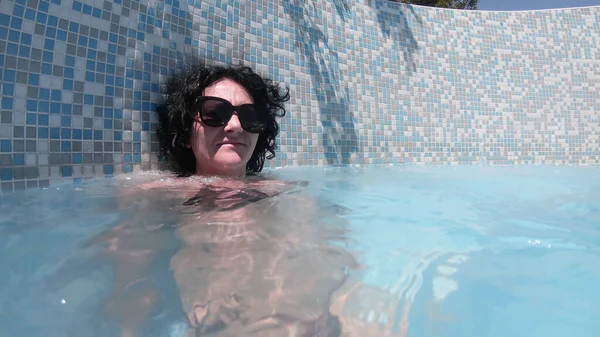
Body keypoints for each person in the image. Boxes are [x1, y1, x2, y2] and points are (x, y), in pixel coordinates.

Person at [94, 61, 357, 337]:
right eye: (214, 112)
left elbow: (334, 255)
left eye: (250, 116)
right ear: (185, 133)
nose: (234, 126)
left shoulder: (290, 191)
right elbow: (128, 273)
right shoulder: (157, 193)